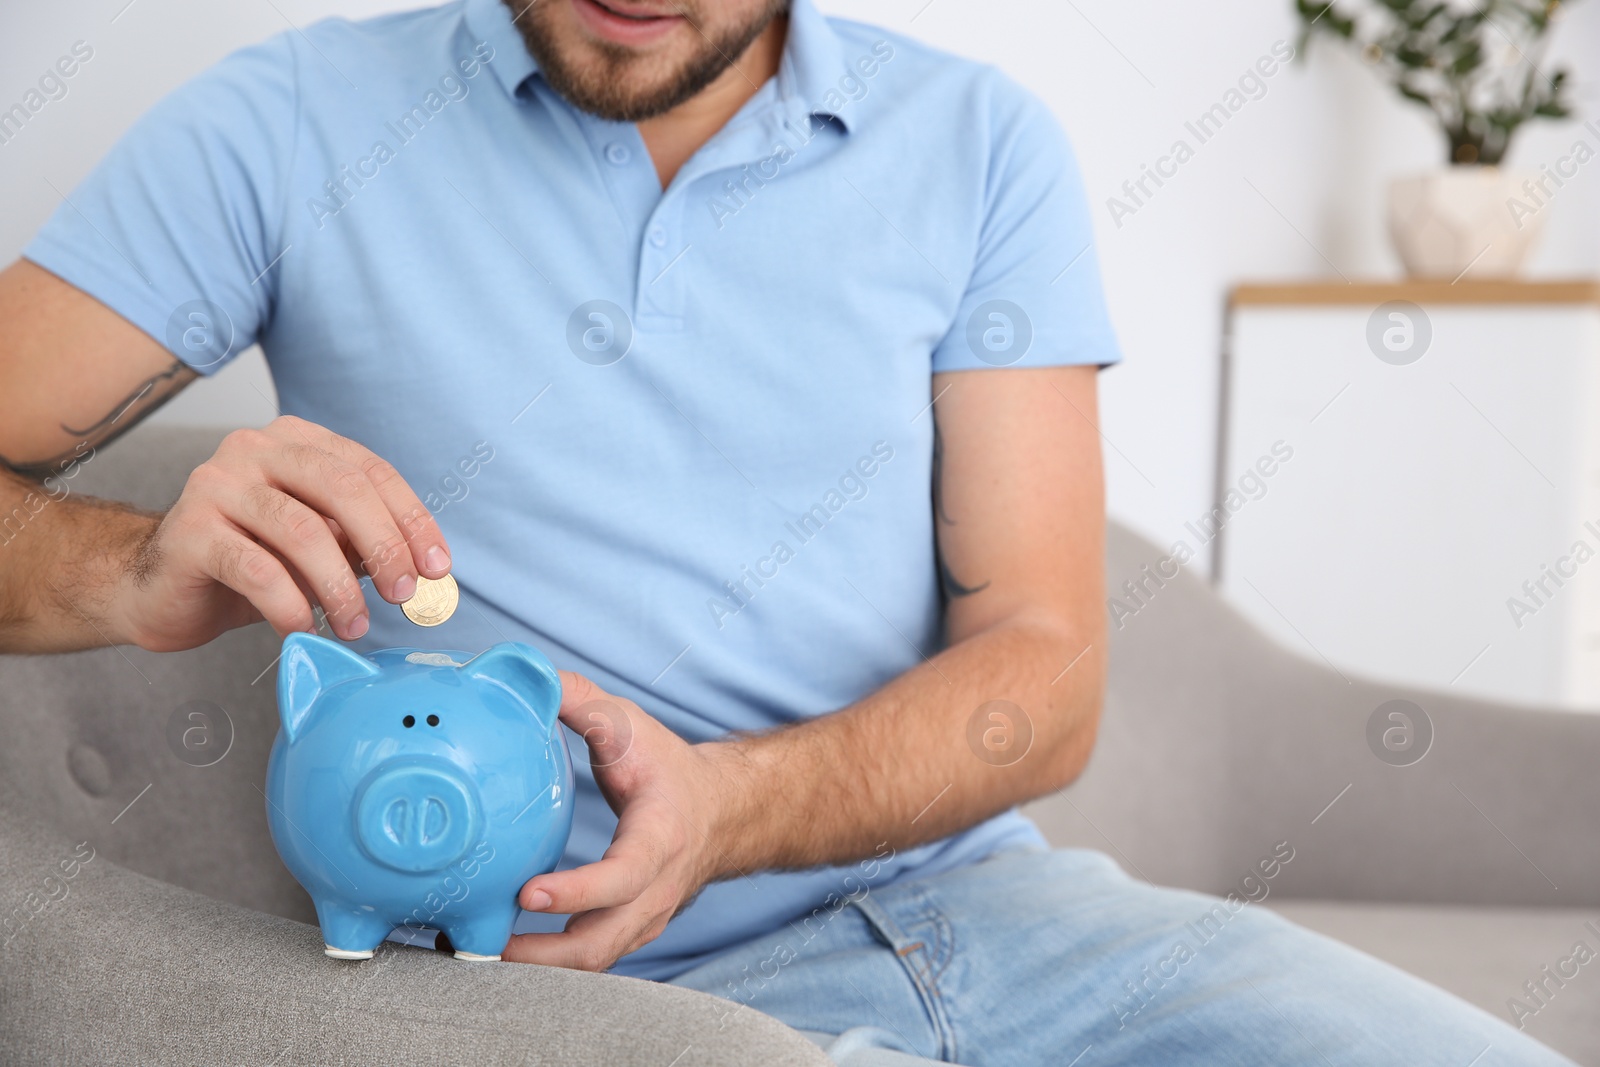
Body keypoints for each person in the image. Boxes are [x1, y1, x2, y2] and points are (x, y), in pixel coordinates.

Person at [0, 1, 1571, 1063]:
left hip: (1002, 913)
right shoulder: (284, 126)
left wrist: (724, 810)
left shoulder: (975, 146)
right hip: (556, 988)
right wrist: (119, 566)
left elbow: (1045, 671)